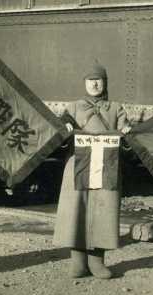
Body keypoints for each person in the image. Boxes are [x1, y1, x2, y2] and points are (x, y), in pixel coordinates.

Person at [53, 64, 131, 279]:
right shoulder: (73, 107)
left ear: (105, 83)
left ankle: (97, 262)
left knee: (103, 210)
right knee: (76, 209)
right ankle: (77, 262)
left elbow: (127, 137)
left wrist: (127, 133)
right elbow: (59, 132)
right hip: (78, 163)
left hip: (107, 165)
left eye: (99, 80)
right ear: (84, 83)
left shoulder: (116, 108)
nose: (95, 84)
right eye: (90, 80)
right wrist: (64, 129)